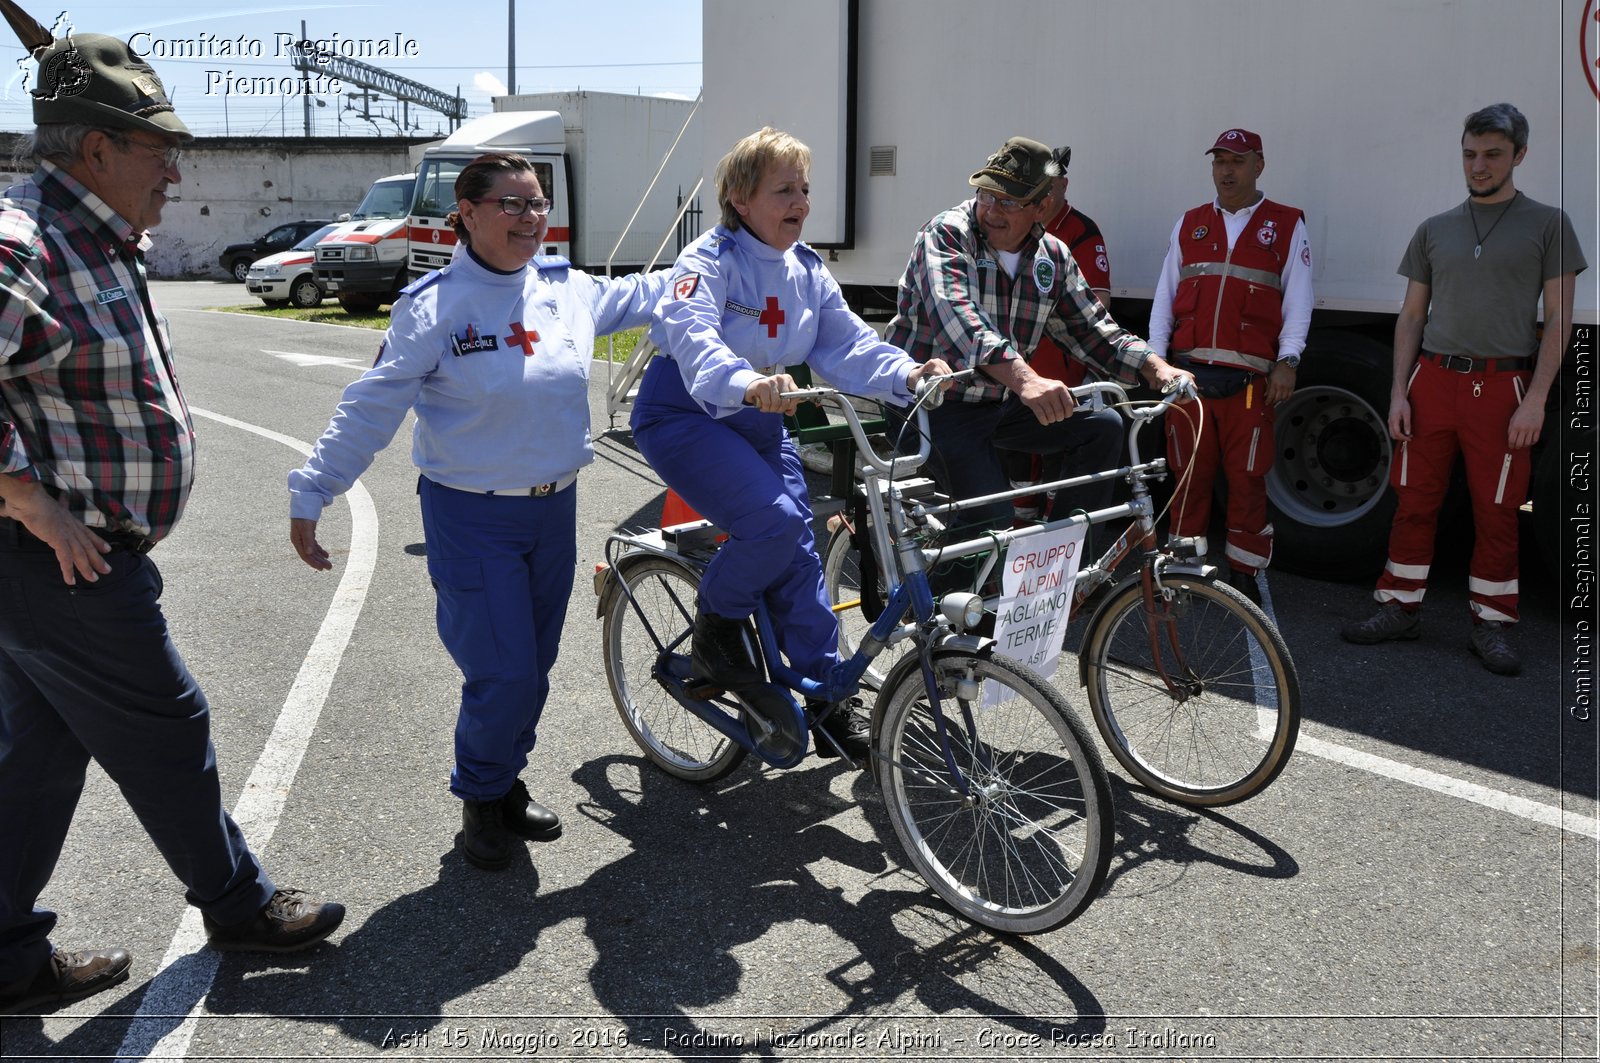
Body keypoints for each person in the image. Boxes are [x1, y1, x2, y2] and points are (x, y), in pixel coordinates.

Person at [0, 29, 343, 1016]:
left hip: (52, 562)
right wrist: (25, 495)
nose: (177, 170)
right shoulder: (25, 240)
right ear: (96, 147)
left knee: (36, 753)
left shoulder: (91, 232)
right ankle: (238, 904)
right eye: (160, 148)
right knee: (168, 722)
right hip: (56, 561)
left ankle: (5, 956)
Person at [288, 153, 671, 869]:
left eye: (538, 205)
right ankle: (480, 797)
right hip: (471, 514)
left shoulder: (565, 289)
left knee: (538, 662)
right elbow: (371, 407)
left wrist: (739, 254)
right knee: (504, 671)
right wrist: (314, 488)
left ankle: (504, 779)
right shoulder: (434, 307)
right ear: (465, 212)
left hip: (553, 507)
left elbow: (653, 291)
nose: (531, 219)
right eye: (512, 205)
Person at [631, 127, 950, 761]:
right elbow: (696, 342)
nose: (800, 201)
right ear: (739, 198)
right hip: (686, 414)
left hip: (760, 419)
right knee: (774, 525)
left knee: (801, 550)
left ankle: (828, 694)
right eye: (783, 190)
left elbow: (847, 346)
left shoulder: (807, 270)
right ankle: (717, 631)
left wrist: (908, 373)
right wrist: (746, 381)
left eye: (804, 189)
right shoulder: (707, 260)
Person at [1340, 103, 1586, 675]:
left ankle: (1493, 623)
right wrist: (1399, 392)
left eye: (1492, 154)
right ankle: (1399, 606)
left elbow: (1560, 321)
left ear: (1518, 156)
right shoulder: (1435, 228)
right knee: (1413, 502)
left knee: (1498, 509)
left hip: (1503, 387)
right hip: (1433, 380)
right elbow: (1410, 317)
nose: (1478, 166)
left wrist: (1537, 399)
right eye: (1470, 154)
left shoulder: (1549, 225)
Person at [885, 135, 1191, 541]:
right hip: (932, 405)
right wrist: (1028, 381)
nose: (992, 210)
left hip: (995, 404)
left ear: (1042, 206)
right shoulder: (947, 234)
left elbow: (1095, 332)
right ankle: (935, 605)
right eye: (986, 194)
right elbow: (960, 320)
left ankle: (1058, 568)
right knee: (991, 518)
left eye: (1008, 201)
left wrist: (1158, 367)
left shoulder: (1054, 256)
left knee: (1104, 426)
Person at [1146, 127, 1313, 605]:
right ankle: (1183, 568)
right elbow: (1166, 294)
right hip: (1190, 379)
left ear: (1258, 165)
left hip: (1248, 385)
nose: (1226, 170)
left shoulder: (1284, 223)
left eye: (1237, 161)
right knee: (1188, 479)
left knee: (1247, 481)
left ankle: (1245, 575)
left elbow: (1298, 296)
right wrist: (1157, 359)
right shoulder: (1190, 223)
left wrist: (1289, 359)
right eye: (1219, 161)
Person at [1005, 145, 1115, 521]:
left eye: (1051, 188)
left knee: (1057, 475)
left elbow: (1097, 305)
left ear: (1064, 186)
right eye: (1039, 188)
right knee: (1016, 481)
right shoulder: (1012, 221)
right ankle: (1008, 562)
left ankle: (1053, 559)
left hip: (1058, 373)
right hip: (1015, 372)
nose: (1045, 197)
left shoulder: (1081, 231)